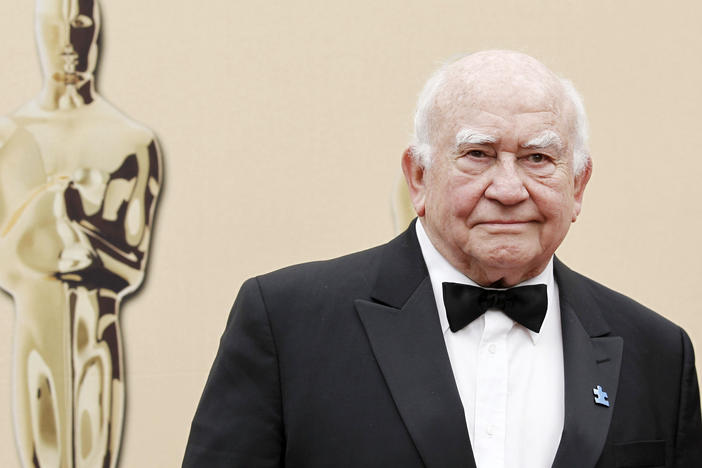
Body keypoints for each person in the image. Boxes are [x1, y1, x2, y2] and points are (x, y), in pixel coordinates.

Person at [182, 50, 702, 467]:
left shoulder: (657, 353)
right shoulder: (286, 323)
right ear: (418, 177)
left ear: (579, 185)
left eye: (537, 158)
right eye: (477, 154)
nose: (507, 187)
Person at [0, 0, 162, 467]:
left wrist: (70, 233)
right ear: (39, 30)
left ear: (97, 32)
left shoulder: (131, 141)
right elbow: (7, 260)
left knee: (96, 449)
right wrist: (54, 204)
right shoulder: (10, 139)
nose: (68, 40)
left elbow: (131, 263)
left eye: (81, 23)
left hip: (98, 330)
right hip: (35, 328)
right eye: (56, 25)